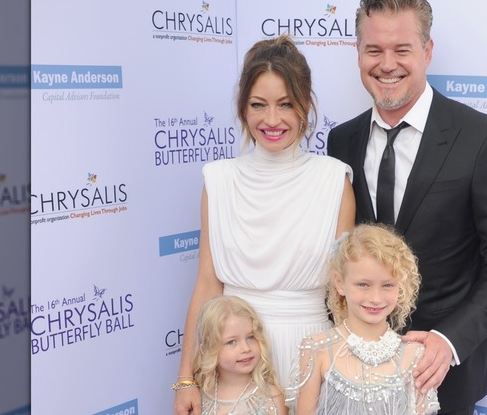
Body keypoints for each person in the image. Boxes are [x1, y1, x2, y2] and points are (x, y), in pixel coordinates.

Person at [327, 0, 487, 414]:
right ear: (358, 52)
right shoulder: (341, 140)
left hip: (442, 370)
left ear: (428, 50)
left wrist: (448, 340)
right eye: (373, 49)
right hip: (358, 363)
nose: (386, 64)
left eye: (402, 49)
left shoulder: (484, 138)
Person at [174, 34, 356, 414]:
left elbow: (343, 298)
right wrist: (186, 378)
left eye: (286, 104)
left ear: (305, 104)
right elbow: (208, 284)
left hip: (311, 355)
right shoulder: (218, 181)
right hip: (232, 360)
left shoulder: (334, 180)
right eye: (258, 105)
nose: (271, 120)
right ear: (243, 109)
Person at [285, 224, 440, 415]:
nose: (375, 298)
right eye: (363, 285)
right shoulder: (317, 349)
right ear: (340, 283)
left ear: (401, 286)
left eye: (387, 285)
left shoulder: (415, 354)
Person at [183, 296, 287, 415]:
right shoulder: (197, 399)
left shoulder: (272, 397)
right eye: (231, 342)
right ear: (207, 348)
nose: (246, 348)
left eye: (250, 337)